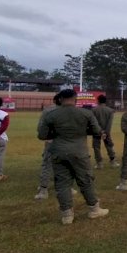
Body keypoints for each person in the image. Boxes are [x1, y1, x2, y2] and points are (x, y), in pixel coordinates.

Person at [37, 89, 109, 225]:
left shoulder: (51, 114)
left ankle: (67, 215)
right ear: (75, 98)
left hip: (58, 151)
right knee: (86, 180)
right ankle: (94, 209)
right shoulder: (86, 113)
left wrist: (57, 133)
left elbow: (42, 135)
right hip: (79, 152)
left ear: (60, 99)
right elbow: (96, 131)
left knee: (62, 183)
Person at [34, 94, 60, 199]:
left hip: (51, 141)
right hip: (66, 143)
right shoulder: (71, 111)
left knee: (47, 165)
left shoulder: (48, 111)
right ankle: (67, 187)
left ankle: (43, 189)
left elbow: (40, 128)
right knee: (66, 166)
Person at [92, 95, 118, 169]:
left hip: (96, 131)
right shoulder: (110, 110)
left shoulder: (94, 110)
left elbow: (94, 123)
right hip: (106, 131)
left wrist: (100, 131)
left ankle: (99, 163)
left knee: (96, 147)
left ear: (98, 100)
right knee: (109, 145)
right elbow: (109, 123)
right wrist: (105, 132)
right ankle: (113, 162)